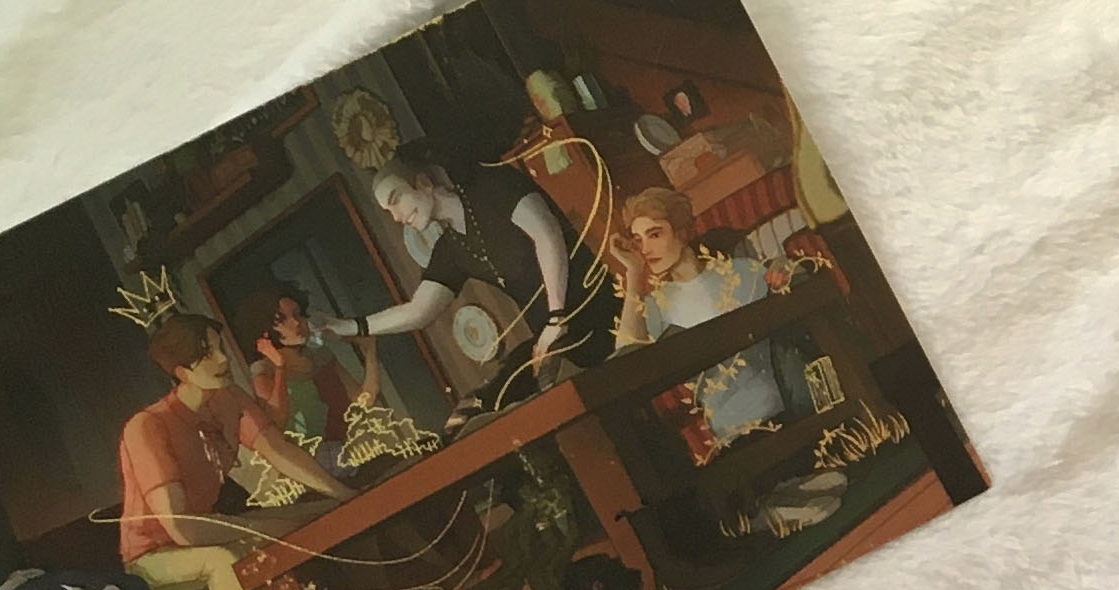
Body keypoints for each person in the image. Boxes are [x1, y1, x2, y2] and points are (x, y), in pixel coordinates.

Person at [114, 315, 348, 590]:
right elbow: (183, 529)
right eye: (207, 353)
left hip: (210, 527)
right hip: (152, 557)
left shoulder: (228, 399)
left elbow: (278, 450)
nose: (223, 359)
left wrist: (340, 494)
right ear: (182, 371)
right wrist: (260, 529)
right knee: (225, 561)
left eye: (219, 348)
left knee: (312, 514)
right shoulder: (148, 427)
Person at [329, 147, 594, 412]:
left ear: (424, 182)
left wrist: (556, 317)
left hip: (590, 305)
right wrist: (347, 327)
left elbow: (547, 232)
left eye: (396, 199)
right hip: (552, 341)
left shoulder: (490, 189)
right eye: (389, 211)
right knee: (476, 407)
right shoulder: (451, 250)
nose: (397, 217)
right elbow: (418, 312)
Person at [607, 186, 790, 442]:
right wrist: (634, 273)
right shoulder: (655, 305)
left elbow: (783, 281)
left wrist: (783, 268)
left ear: (682, 232)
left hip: (783, 406)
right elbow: (625, 363)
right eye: (638, 241)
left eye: (655, 234)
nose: (645, 249)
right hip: (731, 432)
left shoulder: (739, 271)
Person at [249, 284, 378, 462]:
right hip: (309, 462)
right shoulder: (265, 372)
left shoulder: (321, 358)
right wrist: (280, 367)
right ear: (266, 330)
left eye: (298, 314)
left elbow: (364, 402)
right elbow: (276, 423)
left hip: (350, 452)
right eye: (282, 320)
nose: (296, 323)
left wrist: (370, 351)